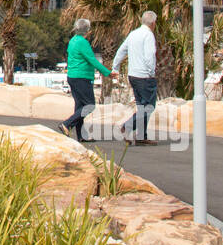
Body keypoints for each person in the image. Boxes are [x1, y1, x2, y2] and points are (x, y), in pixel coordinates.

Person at [59, 18, 112, 142]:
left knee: (80, 106)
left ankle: (81, 135)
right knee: (89, 105)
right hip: (82, 77)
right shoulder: (82, 42)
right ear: (87, 30)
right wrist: (107, 73)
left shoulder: (72, 41)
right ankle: (67, 124)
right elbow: (92, 60)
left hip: (73, 76)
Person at [112, 11, 158, 145]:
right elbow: (150, 56)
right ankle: (127, 126)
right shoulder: (148, 35)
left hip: (133, 75)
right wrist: (151, 72)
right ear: (153, 23)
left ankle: (141, 136)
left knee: (142, 106)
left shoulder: (133, 34)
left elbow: (121, 51)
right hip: (144, 76)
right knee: (149, 106)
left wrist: (116, 67)